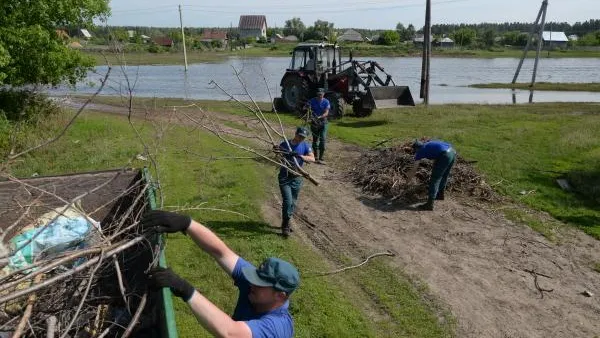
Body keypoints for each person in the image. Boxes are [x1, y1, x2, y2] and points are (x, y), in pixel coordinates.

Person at [142, 210, 300, 338]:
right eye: (255, 278)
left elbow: (231, 333)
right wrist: (187, 223)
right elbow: (221, 253)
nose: (252, 283)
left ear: (280, 296)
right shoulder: (257, 287)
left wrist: (185, 289)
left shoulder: (277, 327)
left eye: (260, 283)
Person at [275, 127, 315, 237]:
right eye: (300, 136)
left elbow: (313, 159)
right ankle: (285, 225)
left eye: (303, 137)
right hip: (284, 176)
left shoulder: (306, 146)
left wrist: (300, 156)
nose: (301, 138)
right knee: (287, 201)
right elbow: (277, 156)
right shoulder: (285, 144)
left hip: (297, 178)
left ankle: (286, 222)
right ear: (295, 133)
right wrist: (277, 151)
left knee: (293, 202)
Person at [406, 139, 456, 211]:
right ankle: (440, 195)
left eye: (415, 150)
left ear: (416, 148)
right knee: (444, 175)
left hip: (445, 155)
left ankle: (429, 204)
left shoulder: (420, 151)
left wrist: (408, 180)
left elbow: (414, 169)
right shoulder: (428, 144)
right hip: (452, 152)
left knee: (435, 178)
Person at [306, 88, 330, 164]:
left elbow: (326, 113)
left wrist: (319, 117)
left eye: (321, 94)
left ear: (324, 94)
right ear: (317, 94)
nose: (320, 95)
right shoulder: (312, 100)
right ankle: (315, 156)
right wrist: (307, 108)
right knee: (315, 140)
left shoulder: (326, 101)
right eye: (319, 94)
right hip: (314, 123)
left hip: (323, 123)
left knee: (322, 139)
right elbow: (306, 107)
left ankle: (321, 157)